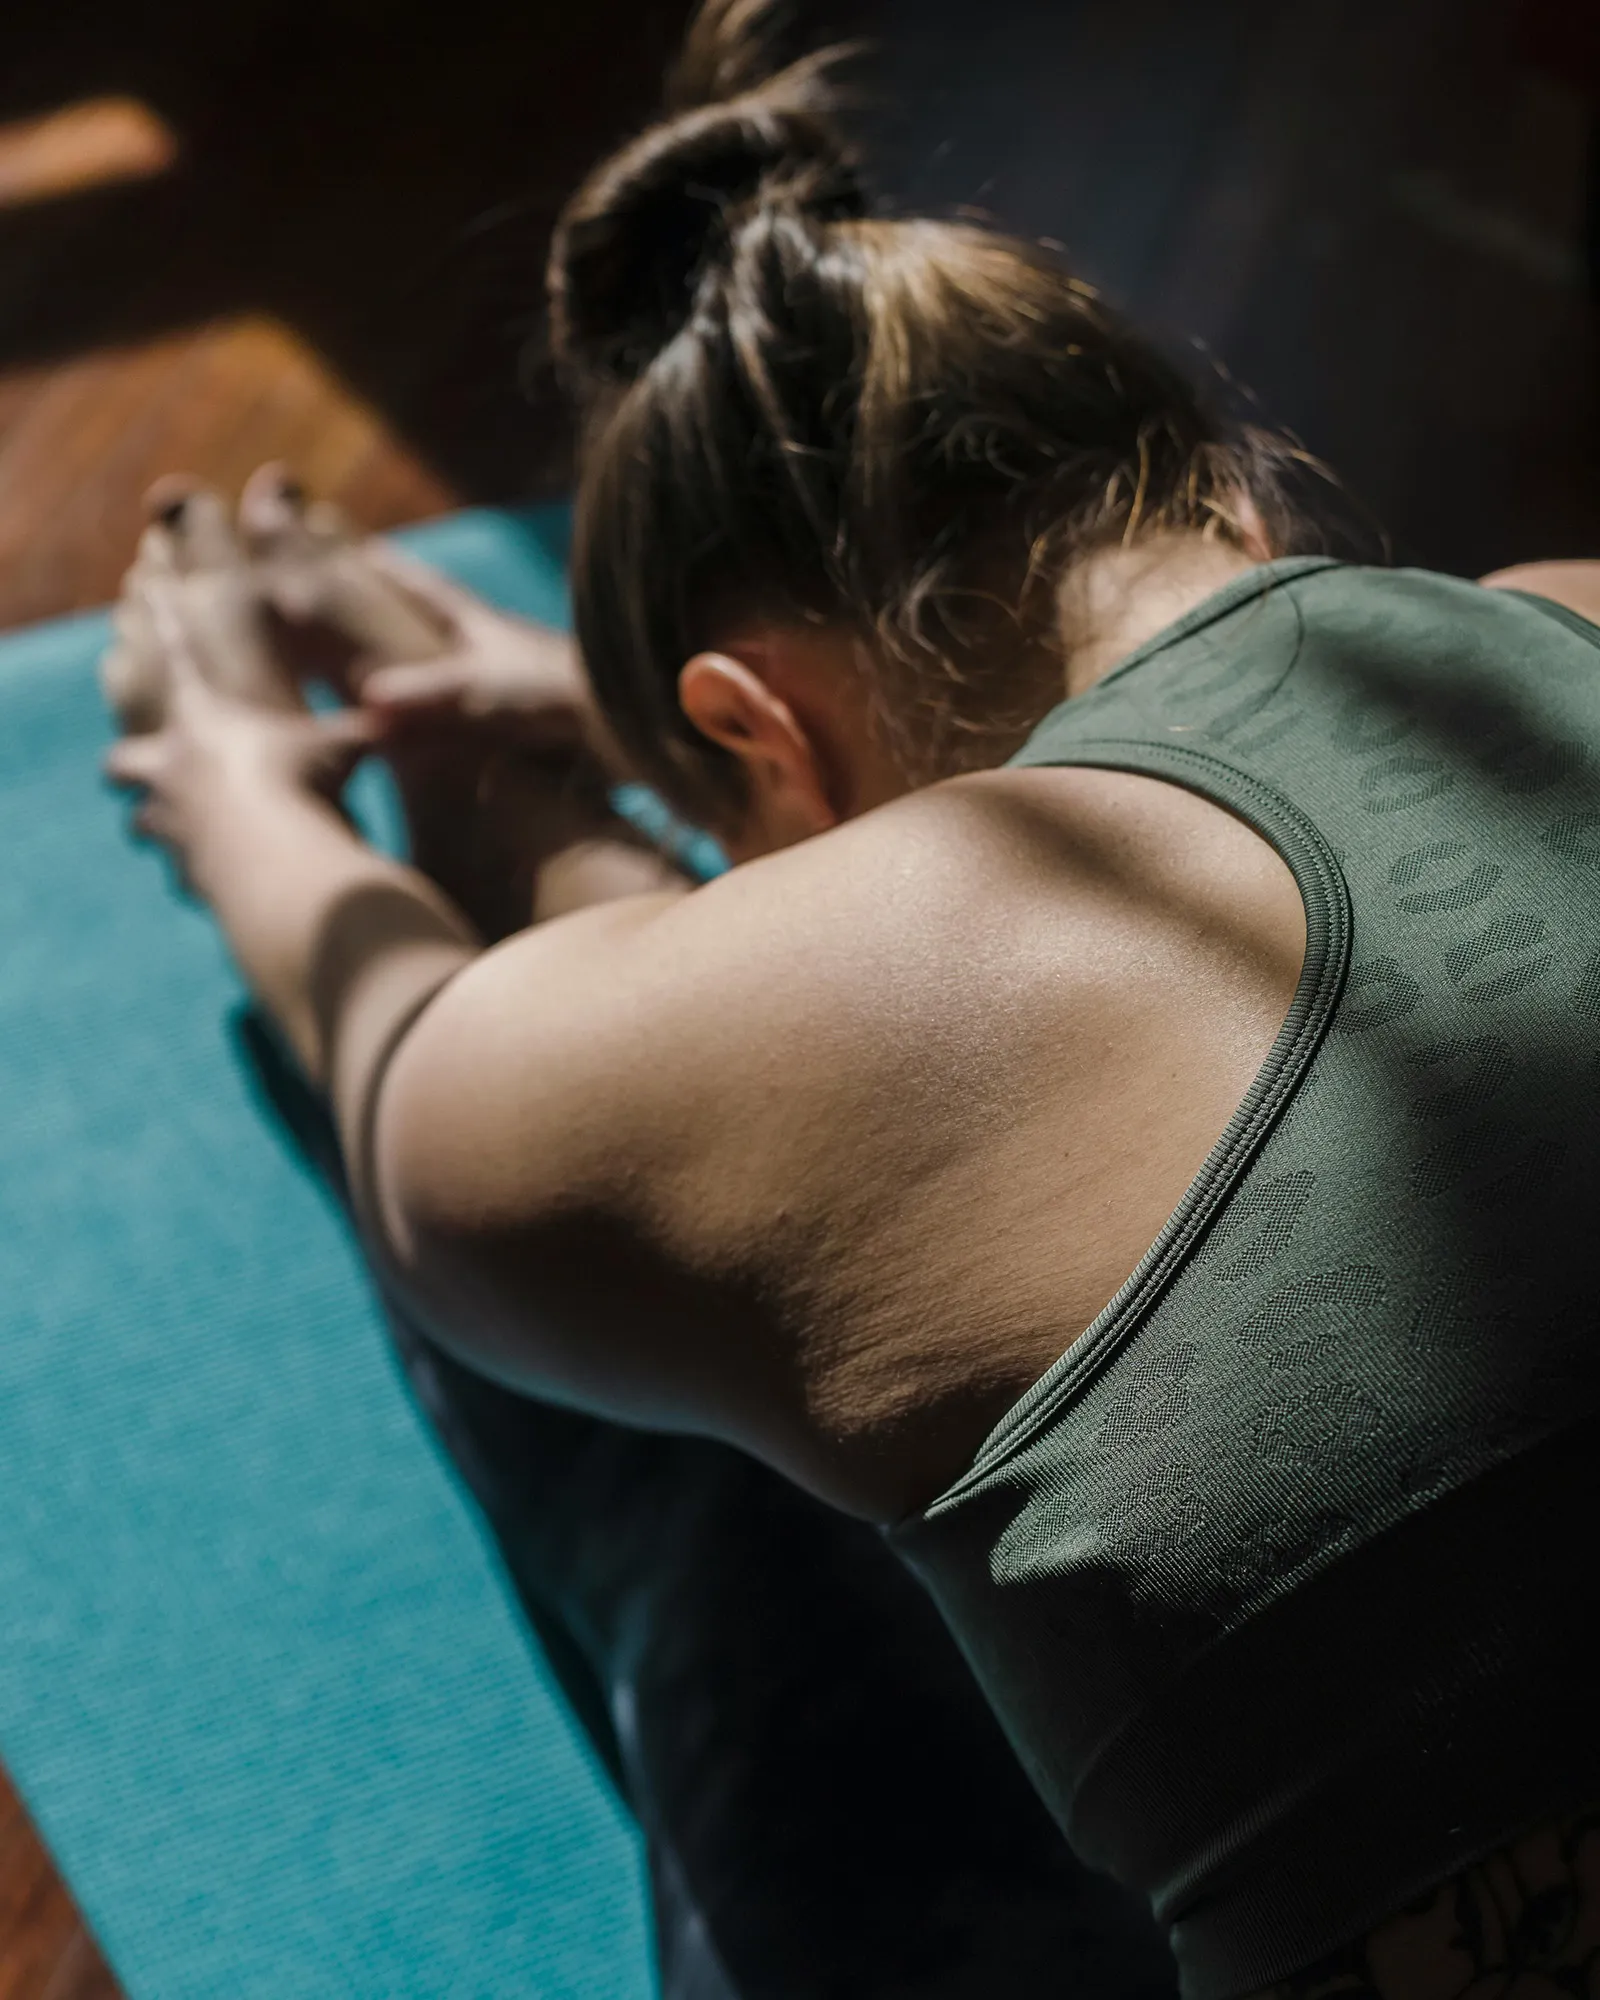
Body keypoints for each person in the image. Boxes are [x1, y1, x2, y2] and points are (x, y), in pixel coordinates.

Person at [103, 0, 1600, 1993]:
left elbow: (402, 1076)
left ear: (751, 727)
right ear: (1231, 508)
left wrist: (227, 779)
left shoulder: (876, 1007)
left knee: (733, 1495)